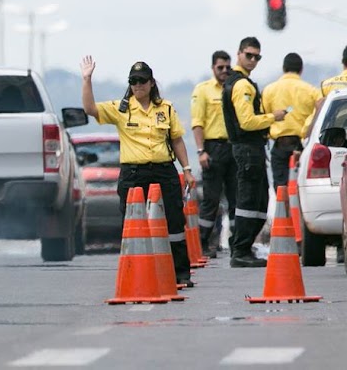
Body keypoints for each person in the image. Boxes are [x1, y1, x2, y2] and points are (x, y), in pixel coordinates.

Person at [81, 56, 196, 287]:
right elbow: (90, 108)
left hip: (164, 171)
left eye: (142, 81)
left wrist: (187, 169)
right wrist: (87, 80)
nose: (138, 85)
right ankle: (135, 272)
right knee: (132, 224)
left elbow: (177, 141)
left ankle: (180, 272)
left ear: (151, 83)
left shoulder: (166, 108)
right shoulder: (121, 109)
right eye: (133, 81)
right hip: (134, 174)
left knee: (174, 221)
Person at [221, 37, 287, 268]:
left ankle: (244, 247)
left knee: (259, 200)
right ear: (238, 54)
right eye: (249, 55)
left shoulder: (241, 82)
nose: (253, 60)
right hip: (247, 149)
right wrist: (273, 117)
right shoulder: (241, 85)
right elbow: (247, 122)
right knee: (249, 200)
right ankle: (240, 250)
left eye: (257, 56)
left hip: (252, 148)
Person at [191, 50, 236, 258]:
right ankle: (203, 242)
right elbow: (197, 123)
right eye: (220, 67)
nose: (225, 71)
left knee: (237, 198)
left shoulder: (236, 87)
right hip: (213, 148)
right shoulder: (203, 90)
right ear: (213, 68)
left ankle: (237, 243)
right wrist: (201, 151)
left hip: (234, 148)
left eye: (228, 67)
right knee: (211, 199)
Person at [262, 53, 322, 191]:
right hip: (302, 147)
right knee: (302, 188)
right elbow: (320, 109)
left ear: (283, 68)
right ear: (301, 70)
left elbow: (264, 118)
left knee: (281, 188)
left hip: (279, 146)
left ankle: (284, 212)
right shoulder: (311, 90)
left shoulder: (268, 90)